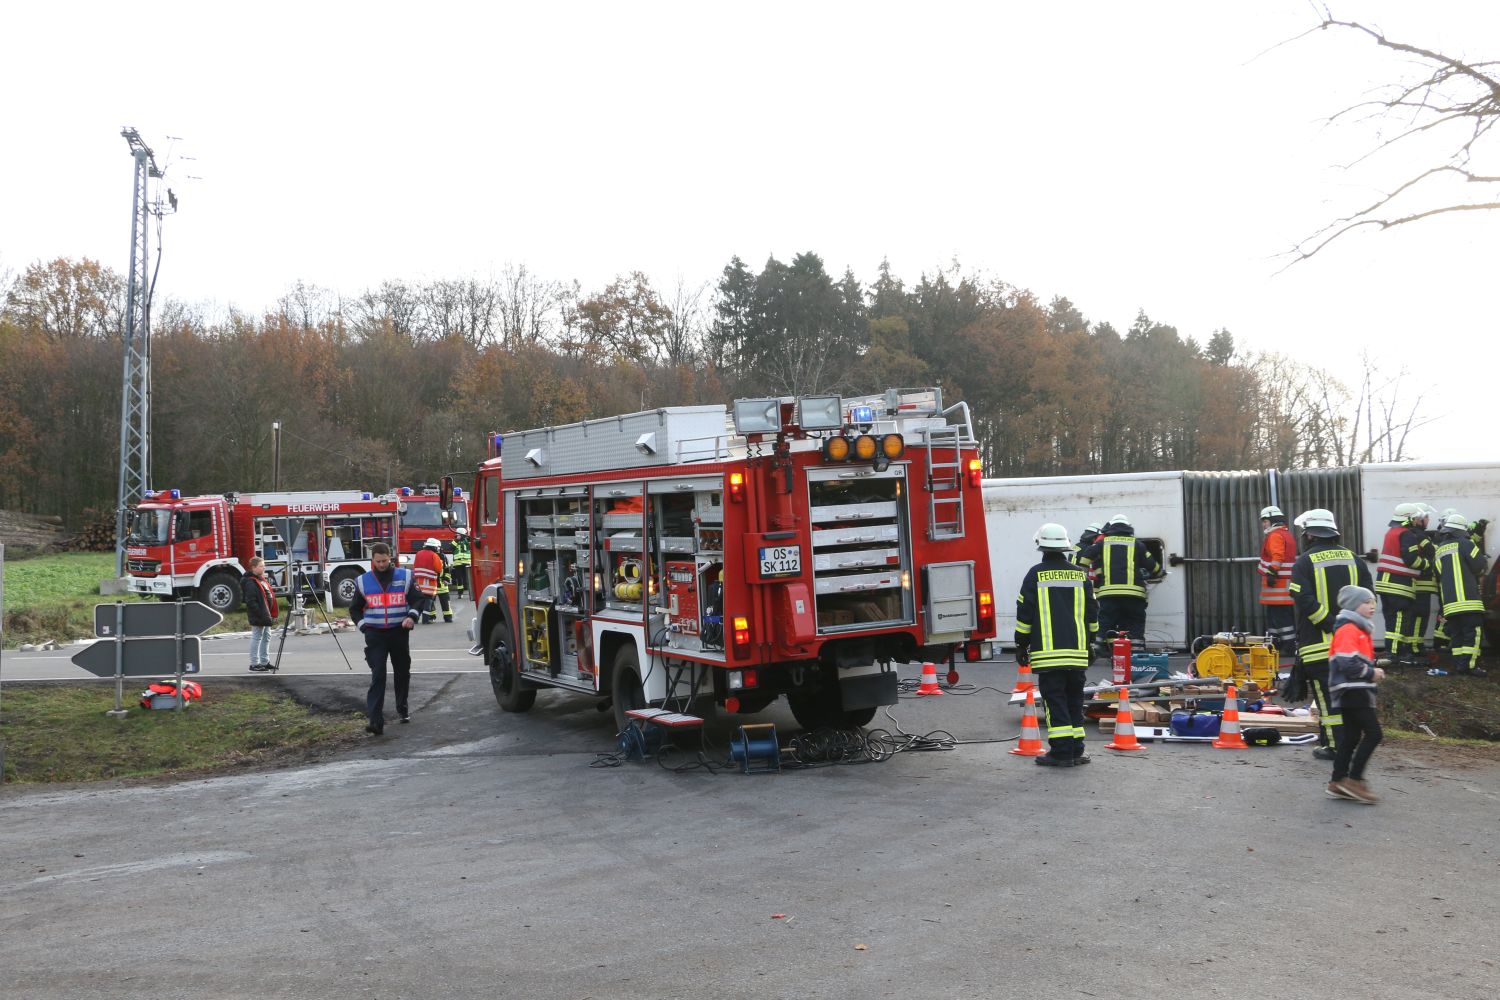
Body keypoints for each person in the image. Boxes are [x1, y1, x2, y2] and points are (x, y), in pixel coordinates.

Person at [1287, 508, 1373, 760]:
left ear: (1310, 535)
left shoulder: (1304, 562)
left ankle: (1337, 748)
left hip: (1318, 646)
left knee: (1328, 701)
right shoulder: (1355, 559)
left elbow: (1302, 597)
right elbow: (1369, 596)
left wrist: (1330, 623)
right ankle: (1339, 742)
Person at [1014, 522, 1099, 767]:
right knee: (1074, 700)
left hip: (1049, 654)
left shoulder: (1035, 574)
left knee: (1055, 702)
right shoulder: (1080, 576)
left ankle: (1061, 753)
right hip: (1077, 652)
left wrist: (1021, 645)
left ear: (1041, 547)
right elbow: (1092, 614)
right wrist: (1091, 644)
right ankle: (1077, 751)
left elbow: (1025, 615)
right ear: (1065, 546)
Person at [349, 542, 423, 734]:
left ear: (390, 557)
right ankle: (375, 721)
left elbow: (418, 599)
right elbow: (354, 609)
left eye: (384, 560)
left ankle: (402, 707)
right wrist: (363, 626)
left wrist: (412, 616)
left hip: (399, 632)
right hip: (375, 634)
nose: (381, 564)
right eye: (378, 561)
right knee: (378, 675)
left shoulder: (405, 576)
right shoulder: (363, 581)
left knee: (402, 672)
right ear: (372, 560)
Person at [1325, 585, 1385, 804]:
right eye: (1367, 602)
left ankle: (1337, 781)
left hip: (1353, 690)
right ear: (1353, 606)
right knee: (1374, 733)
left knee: (1351, 737)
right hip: (1352, 690)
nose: (1372, 607)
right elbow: (1347, 662)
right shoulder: (1349, 629)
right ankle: (1355, 780)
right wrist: (1372, 673)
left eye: (1373, 603)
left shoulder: (1358, 629)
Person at [1077, 513, 1158, 645]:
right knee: (1135, 620)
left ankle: (1099, 646)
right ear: (1128, 528)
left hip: (1108, 594)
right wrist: (1158, 572)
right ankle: (1136, 649)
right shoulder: (1138, 544)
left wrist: (1082, 574)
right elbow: (1153, 566)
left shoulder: (1102, 543)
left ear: (1111, 528)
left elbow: (1086, 555)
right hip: (1134, 595)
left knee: (1106, 620)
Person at [1373, 503, 1431, 663]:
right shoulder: (1407, 534)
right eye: (1414, 518)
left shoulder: (1391, 532)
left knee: (1392, 620)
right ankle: (1397, 654)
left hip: (1385, 584)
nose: (1416, 521)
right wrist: (1427, 564)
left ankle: (1393, 651)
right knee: (1400, 619)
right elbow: (1411, 560)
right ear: (1408, 518)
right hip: (1399, 585)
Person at [1434, 511, 1488, 676]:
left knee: (1457, 635)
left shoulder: (1439, 550)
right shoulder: (1466, 544)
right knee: (1473, 633)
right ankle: (1470, 666)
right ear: (1461, 531)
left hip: (1450, 604)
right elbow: (1479, 566)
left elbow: (1438, 576)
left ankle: (1459, 665)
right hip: (1469, 601)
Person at [1256, 505, 1298, 658]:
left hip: (1277, 586)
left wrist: (1272, 572)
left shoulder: (1275, 535)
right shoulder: (1287, 534)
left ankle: (1287, 646)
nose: (1263, 524)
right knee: (1279, 617)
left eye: (1265, 521)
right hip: (1283, 585)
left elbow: (1278, 556)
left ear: (1272, 521)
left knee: (1280, 617)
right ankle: (1275, 643)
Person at [242, 556, 279, 672]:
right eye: (261, 566)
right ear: (253, 568)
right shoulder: (250, 582)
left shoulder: (260, 579)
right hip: (259, 614)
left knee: (266, 636)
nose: (264, 568)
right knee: (257, 637)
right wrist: (260, 614)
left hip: (265, 613)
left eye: (264, 566)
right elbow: (251, 601)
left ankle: (264, 661)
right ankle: (254, 663)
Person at [412, 536, 449, 624]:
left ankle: (415, 619)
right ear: (435, 547)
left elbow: (415, 566)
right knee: (428, 602)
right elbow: (438, 569)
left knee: (419, 602)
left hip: (419, 583)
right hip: (430, 583)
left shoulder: (418, 553)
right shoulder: (434, 555)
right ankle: (425, 620)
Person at [450, 527, 472, 599]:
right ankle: (460, 593)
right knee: (459, 579)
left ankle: (470, 593)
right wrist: (456, 540)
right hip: (458, 563)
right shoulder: (455, 541)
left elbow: (472, 546)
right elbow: (450, 547)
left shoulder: (467, 541)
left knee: (468, 579)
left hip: (467, 562)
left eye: (459, 535)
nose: (457, 535)